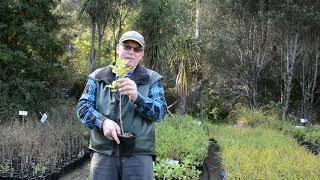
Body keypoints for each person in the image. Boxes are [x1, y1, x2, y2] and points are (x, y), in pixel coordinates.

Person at [77, 30, 167, 180]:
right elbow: (83, 108)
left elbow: (160, 112)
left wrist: (138, 98)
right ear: (118, 48)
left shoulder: (152, 79)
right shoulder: (98, 77)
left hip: (138, 155)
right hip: (103, 153)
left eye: (137, 49)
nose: (131, 52)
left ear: (141, 54)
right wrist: (103, 122)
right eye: (127, 47)